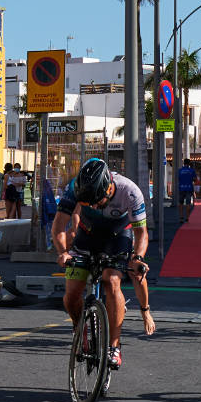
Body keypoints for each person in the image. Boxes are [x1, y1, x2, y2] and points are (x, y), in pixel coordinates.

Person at [50, 158, 152, 371]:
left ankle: (114, 346)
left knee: (111, 279)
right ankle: (80, 331)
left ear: (109, 187)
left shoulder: (130, 191)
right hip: (86, 236)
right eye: (89, 204)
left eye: (98, 202)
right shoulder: (74, 188)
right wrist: (62, 253)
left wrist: (138, 257)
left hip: (117, 237)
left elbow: (141, 233)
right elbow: (59, 225)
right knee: (71, 295)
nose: (94, 206)